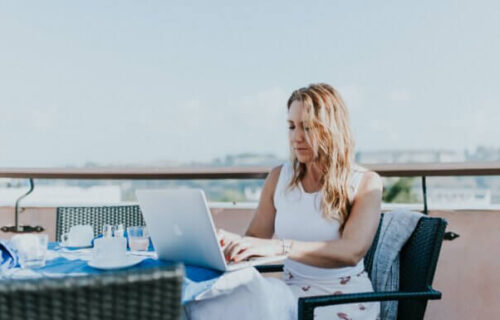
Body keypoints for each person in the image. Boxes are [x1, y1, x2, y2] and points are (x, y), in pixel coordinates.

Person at [207, 83, 382, 319]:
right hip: (287, 293)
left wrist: (281, 247)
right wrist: (234, 243)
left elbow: (351, 251)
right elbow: (257, 238)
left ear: (331, 129)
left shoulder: (365, 183)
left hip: (343, 300)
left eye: (307, 127)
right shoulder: (279, 177)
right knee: (209, 305)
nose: (296, 138)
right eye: (291, 126)